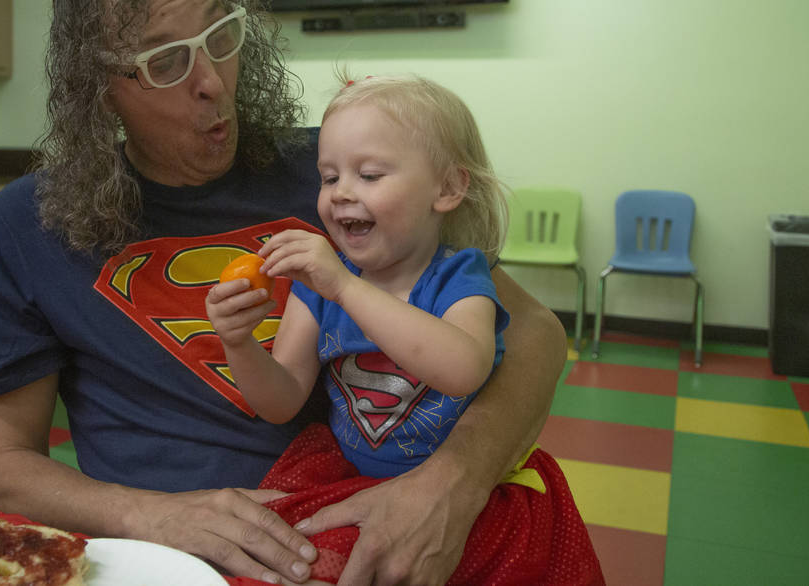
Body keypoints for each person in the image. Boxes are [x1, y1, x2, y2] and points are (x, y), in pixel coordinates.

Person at [0, 0, 569, 586]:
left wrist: (453, 482)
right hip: (162, 560)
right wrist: (151, 516)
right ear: (99, 86)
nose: (214, 83)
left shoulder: (338, 172)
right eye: (166, 60)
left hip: (348, 520)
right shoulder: (31, 222)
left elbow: (537, 332)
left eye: (221, 36)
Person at [206, 75, 603, 584]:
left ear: (447, 188)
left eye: (369, 175)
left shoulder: (459, 277)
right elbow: (280, 400)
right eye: (329, 178)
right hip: (349, 478)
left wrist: (347, 291)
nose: (341, 193)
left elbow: (462, 368)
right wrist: (238, 343)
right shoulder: (318, 287)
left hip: (468, 498)